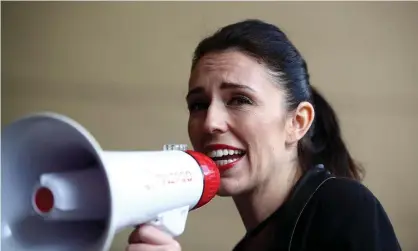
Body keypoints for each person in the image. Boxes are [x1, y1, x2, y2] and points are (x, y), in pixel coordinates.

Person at [126, 19, 401, 251]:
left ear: (297, 122)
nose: (210, 123)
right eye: (198, 105)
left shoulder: (344, 207)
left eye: (239, 100)